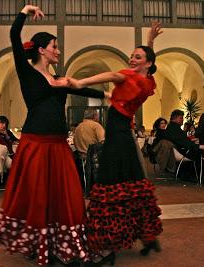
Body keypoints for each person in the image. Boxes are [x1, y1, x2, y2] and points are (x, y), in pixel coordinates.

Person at [0, 5, 109, 267]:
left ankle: (67, 245)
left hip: (57, 144)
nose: (58, 50)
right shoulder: (27, 71)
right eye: (54, 46)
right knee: (39, 196)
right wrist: (23, 11)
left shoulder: (60, 78)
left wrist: (106, 95)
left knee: (65, 195)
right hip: (36, 143)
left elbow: (82, 89)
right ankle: (40, 244)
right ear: (42, 50)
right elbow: (13, 37)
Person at [66, 20, 163, 265]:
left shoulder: (131, 78)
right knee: (133, 183)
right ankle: (147, 235)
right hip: (125, 135)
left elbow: (111, 74)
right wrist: (150, 41)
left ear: (146, 62)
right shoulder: (148, 81)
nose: (132, 59)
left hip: (118, 135)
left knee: (109, 183)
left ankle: (104, 246)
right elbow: (149, 66)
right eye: (132, 56)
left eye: (137, 57)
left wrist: (80, 83)